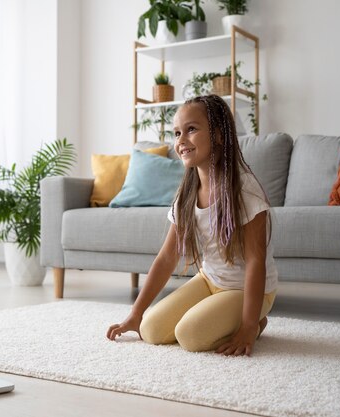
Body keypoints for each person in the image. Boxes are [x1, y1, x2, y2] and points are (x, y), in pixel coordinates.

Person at [106, 95, 278, 356]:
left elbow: (256, 261)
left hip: (247, 289)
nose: (180, 141)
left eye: (191, 129)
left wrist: (247, 326)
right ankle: (219, 314)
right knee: (151, 329)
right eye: (176, 133)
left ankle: (256, 320)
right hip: (210, 280)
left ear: (219, 135)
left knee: (189, 335)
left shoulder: (244, 189)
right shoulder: (187, 194)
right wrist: (135, 313)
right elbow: (167, 258)